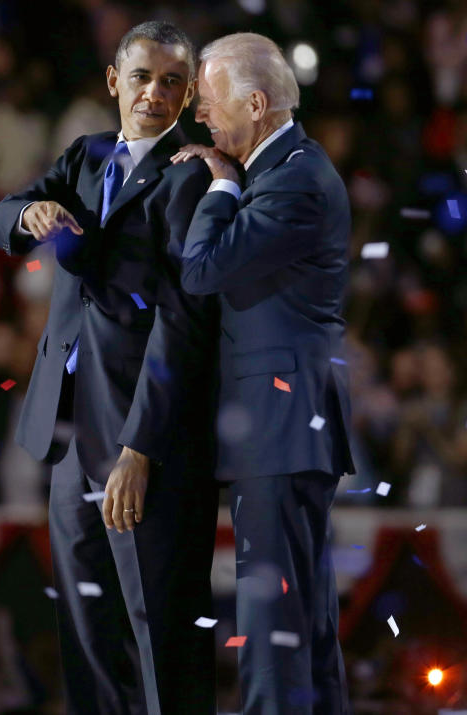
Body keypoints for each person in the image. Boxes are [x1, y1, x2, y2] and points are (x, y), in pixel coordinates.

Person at [0, 21, 220, 714]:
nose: (156, 92)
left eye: (173, 81)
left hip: (141, 440)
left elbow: (183, 321)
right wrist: (30, 212)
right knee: (85, 627)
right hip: (68, 433)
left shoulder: (193, 174)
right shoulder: (86, 154)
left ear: (186, 97)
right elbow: (3, 210)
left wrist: (139, 447)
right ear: (115, 80)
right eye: (144, 76)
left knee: (160, 629)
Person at [171, 32, 354, 714]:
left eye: (211, 102)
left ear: (255, 102)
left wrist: (219, 185)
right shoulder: (288, 170)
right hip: (287, 429)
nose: (201, 120)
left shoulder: (295, 181)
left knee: (275, 631)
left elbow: (201, 270)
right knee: (303, 625)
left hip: (281, 427)